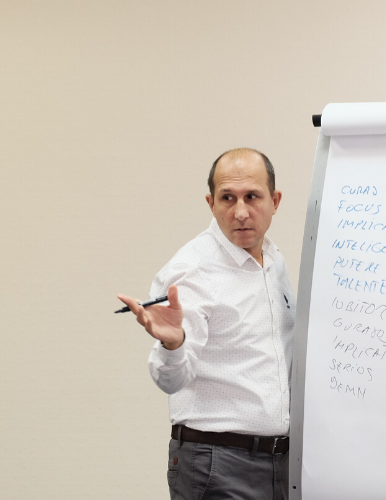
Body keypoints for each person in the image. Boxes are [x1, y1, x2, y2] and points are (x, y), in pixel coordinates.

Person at [117, 148, 295, 500]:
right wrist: (173, 344)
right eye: (227, 198)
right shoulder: (192, 271)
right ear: (211, 203)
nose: (240, 211)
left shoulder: (275, 262)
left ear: (274, 201)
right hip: (218, 464)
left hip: (280, 464)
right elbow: (170, 380)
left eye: (252, 196)